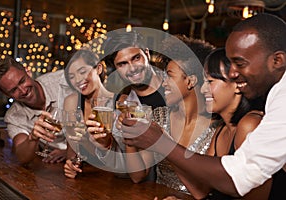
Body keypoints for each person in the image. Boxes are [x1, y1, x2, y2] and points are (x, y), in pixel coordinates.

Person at [121, 13, 286, 199]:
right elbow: (203, 193)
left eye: (239, 63)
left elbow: (240, 179)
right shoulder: (222, 132)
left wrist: (163, 144)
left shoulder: (252, 122)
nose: (233, 73)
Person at [125, 35, 216, 189]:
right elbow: (138, 176)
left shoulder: (215, 128)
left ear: (190, 81)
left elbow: (205, 189)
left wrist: (164, 144)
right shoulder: (158, 117)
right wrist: (129, 136)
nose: (164, 82)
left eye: (170, 75)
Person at [86, 30, 166, 180]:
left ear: (147, 54)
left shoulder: (175, 88)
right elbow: (129, 171)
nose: (132, 68)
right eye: (122, 64)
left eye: (136, 58)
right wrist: (105, 145)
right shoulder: (122, 106)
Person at [0, 57, 73, 164]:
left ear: (28, 72)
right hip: (59, 166)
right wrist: (32, 138)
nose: (23, 91)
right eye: (14, 90)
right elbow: (22, 157)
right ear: (6, 94)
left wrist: (70, 151)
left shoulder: (65, 80)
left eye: (22, 81)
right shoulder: (13, 117)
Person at [63, 48, 114, 178]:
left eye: (82, 72)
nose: (78, 80)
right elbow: (72, 151)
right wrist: (71, 165)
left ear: (98, 69)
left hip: (114, 179)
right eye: (72, 77)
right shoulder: (71, 102)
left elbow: (119, 160)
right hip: (86, 179)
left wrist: (86, 142)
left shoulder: (119, 102)